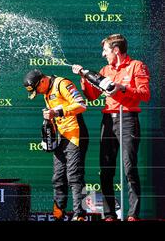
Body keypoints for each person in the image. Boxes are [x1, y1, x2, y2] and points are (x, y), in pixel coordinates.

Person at [72, 34, 150, 221]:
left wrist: (121, 88)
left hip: (128, 118)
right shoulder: (105, 69)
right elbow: (91, 96)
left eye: (105, 50)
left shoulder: (136, 66)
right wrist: (84, 77)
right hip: (108, 120)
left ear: (116, 50)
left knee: (129, 167)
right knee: (106, 168)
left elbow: (145, 94)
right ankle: (109, 214)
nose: (103, 54)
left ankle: (133, 214)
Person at [23, 69, 89, 221]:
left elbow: (81, 104)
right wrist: (48, 134)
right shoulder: (46, 92)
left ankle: (81, 215)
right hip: (61, 138)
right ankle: (58, 215)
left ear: (43, 81)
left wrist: (57, 112)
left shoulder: (62, 83)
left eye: (37, 89)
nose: (38, 93)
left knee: (75, 177)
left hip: (76, 134)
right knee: (58, 178)